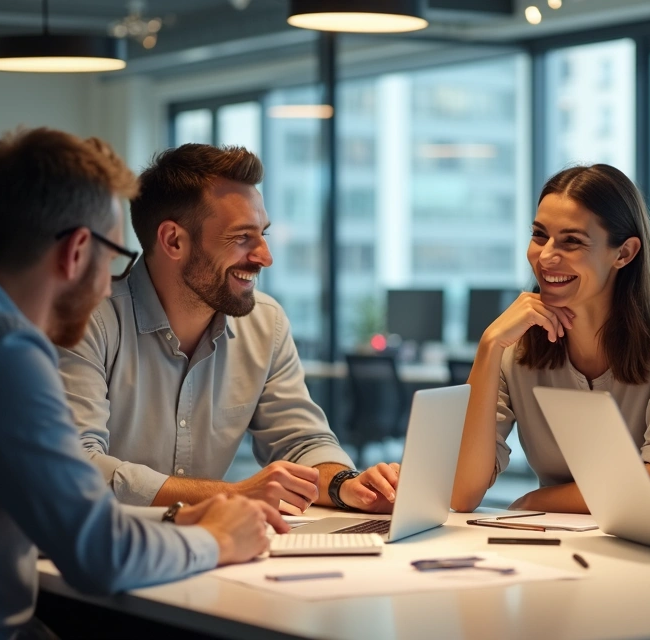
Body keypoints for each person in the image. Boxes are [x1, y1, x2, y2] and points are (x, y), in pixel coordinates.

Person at [0, 128, 287, 638]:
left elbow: (56, 518)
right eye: (116, 256)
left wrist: (175, 521)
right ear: (77, 251)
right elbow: (98, 555)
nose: (111, 284)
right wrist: (218, 540)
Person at [59, 143, 398, 515]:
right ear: (174, 240)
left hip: (213, 551)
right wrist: (232, 495)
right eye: (241, 238)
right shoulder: (86, 321)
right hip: (107, 554)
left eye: (263, 234)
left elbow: (300, 441)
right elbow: (77, 466)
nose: (265, 257)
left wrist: (345, 485)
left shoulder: (265, 323)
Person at [451, 164, 650, 514]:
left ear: (624, 253)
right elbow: (462, 492)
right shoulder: (516, 341)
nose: (546, 257)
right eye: (540, 235)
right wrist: (489, 346)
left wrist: (534, 501)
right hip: (559, 546)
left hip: (648, 552)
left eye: (572, 241)